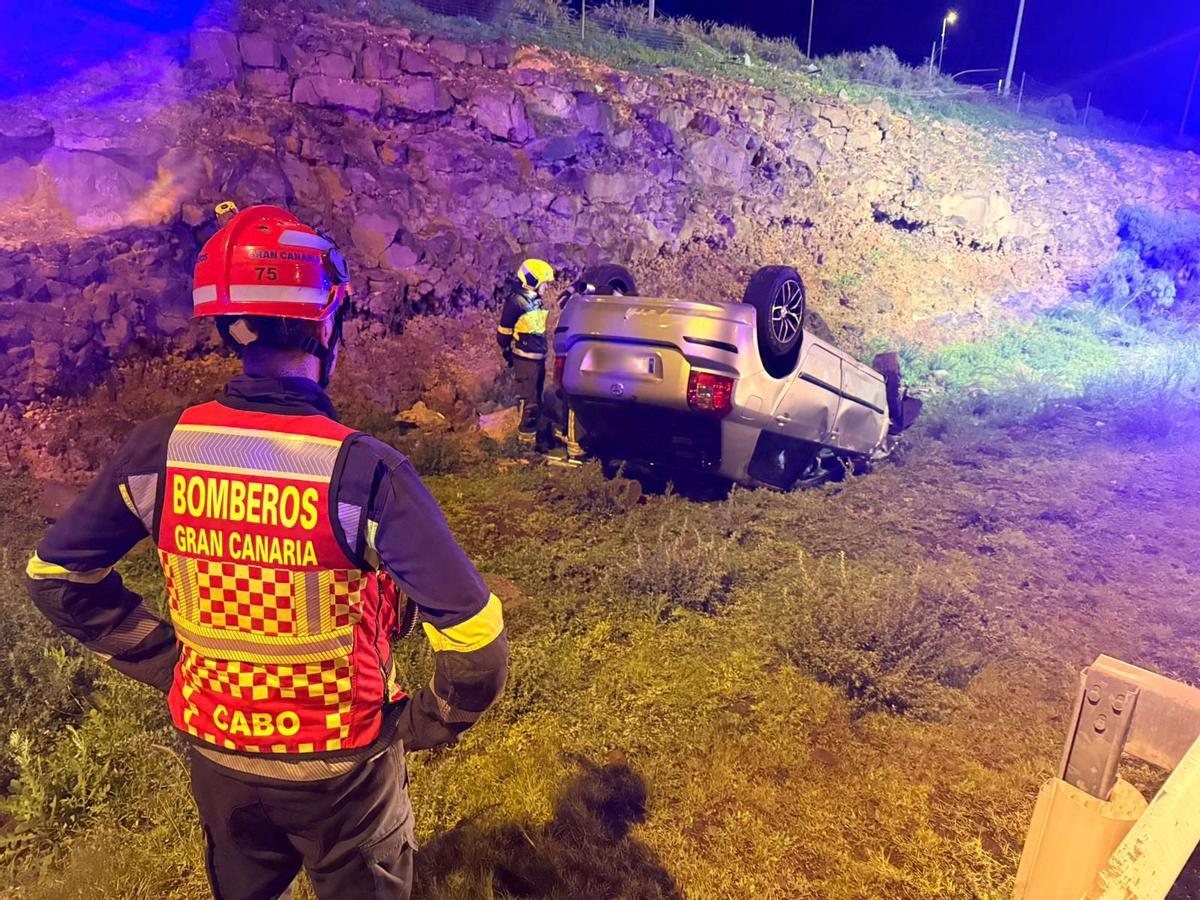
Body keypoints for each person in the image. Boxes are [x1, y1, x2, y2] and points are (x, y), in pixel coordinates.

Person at [25, 203, 508, 900]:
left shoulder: (162, 450)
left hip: (220, 760)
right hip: (343, 771)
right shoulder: (363, 471)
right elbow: (476, 641)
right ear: (326, 322)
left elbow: (57, 577)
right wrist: (427, 723)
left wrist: (169, 664)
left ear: (228, 325)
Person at [495, 258, 554, 444]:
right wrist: (507, 351)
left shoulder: (535, 301)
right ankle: (525, 445)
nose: (546, 287)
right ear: (533, 280)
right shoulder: (516, 302)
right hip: (525, 359)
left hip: (537, 358)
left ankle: (535, 439)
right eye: (544, 283)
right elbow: (503, 333)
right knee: (529, 403)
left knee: (536, 400)